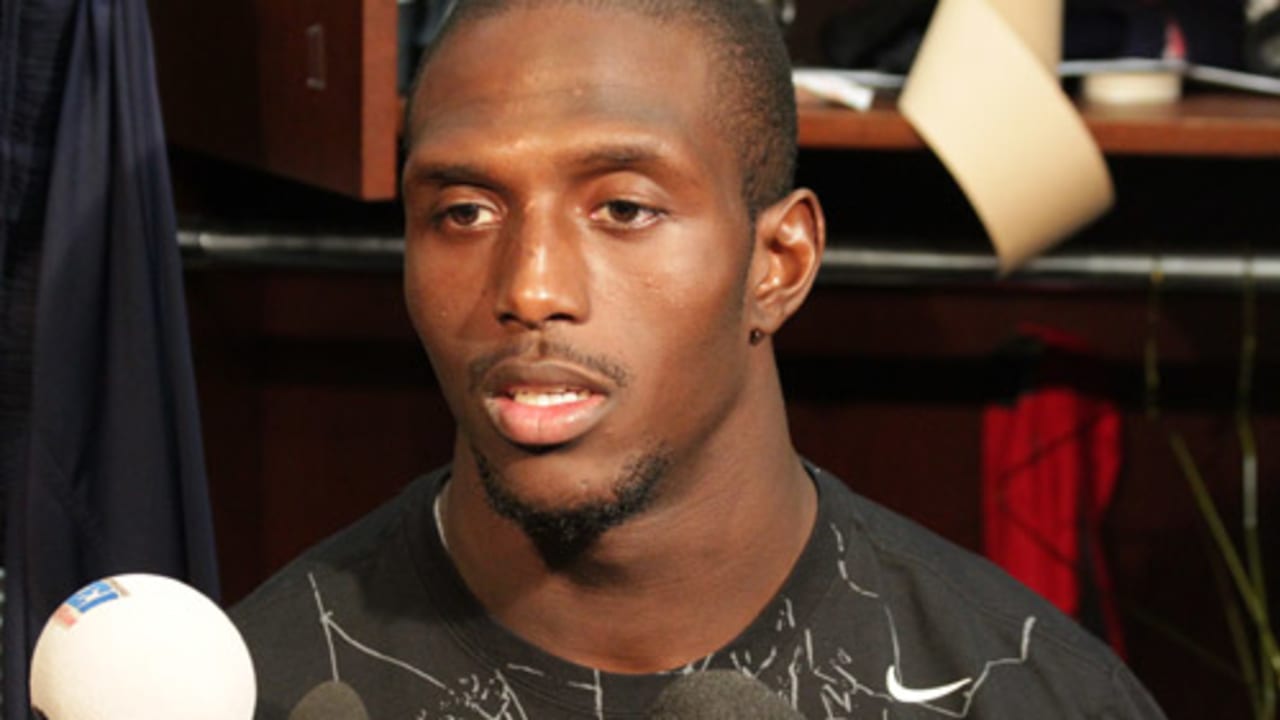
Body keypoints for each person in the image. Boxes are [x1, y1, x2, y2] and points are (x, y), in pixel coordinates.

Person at [231, 1, 1168, 717]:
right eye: (465, 212)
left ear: (778, 262)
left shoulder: (1031, 695)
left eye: (624, 209)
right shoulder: (259, 683)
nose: (531, 287)